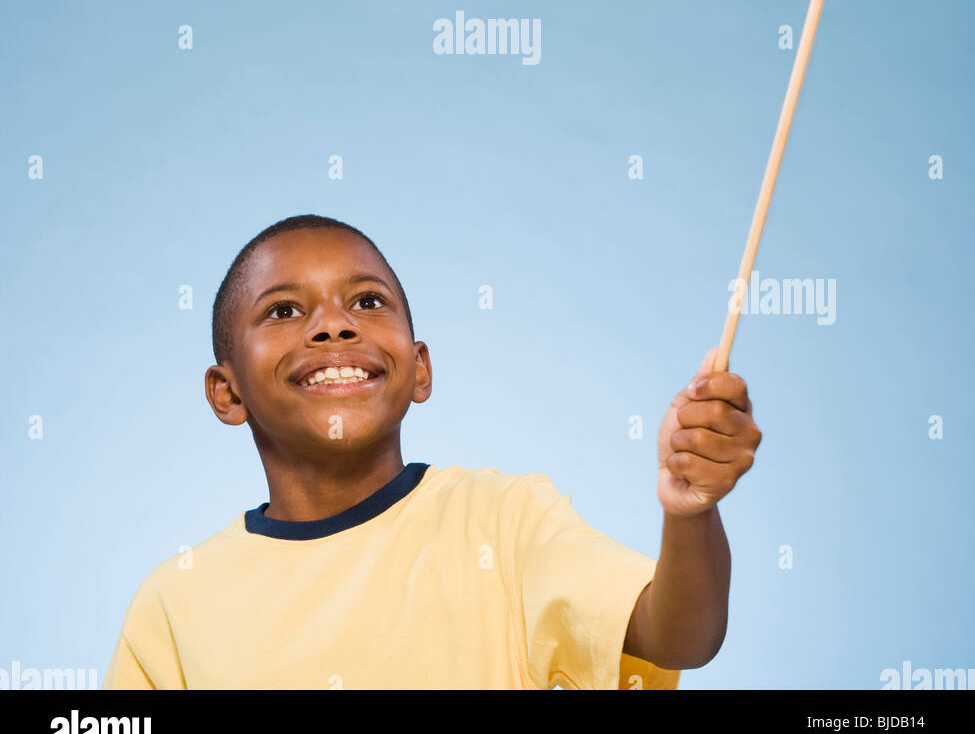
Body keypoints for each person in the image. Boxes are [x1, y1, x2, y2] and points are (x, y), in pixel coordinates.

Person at [103, 214, 761, 690]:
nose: (333, 324)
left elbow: (680, 635)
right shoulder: (174, 605)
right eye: (282, 311)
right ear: (227, 392)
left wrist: (689, 511)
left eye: (366, 301)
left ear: (419, 369)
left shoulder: (505, 523)